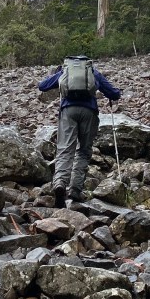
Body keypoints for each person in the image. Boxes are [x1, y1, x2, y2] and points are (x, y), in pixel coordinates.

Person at [38, 56, 121, 207]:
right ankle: (75, 190)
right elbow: (114, 93)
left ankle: (60, 184)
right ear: (87, 63)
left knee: (65, 150)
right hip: (89, 113)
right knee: (83, 151)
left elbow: (42, 86)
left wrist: (57, 76)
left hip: (68, 111)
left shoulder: (65, 72)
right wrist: (115, 93)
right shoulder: (93, 72)